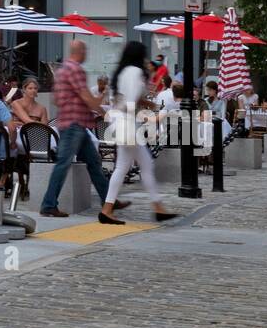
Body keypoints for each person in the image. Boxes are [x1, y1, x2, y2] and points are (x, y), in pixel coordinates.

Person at [39, 40, 129, 218]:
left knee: (94, 162)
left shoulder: (62, 70)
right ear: (79, 51)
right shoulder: (75, 69)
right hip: (75, 124)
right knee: (63, 163)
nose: (87, 53)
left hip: (71, 122)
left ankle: (108, 198)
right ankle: (48, 204)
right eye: (86, 50)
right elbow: (87, 97)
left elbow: (57, 100)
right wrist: (101, 100)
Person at [99, 42, 178, 224]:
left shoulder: (121, 72)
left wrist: (148, 104)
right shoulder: (135, 72)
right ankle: (109, 209)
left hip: (120, 122)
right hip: (128, 124)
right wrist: (147, 111)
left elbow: (125, 98)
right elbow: (132, 100)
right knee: (135, 166)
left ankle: (155, 207)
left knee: (134, 166)